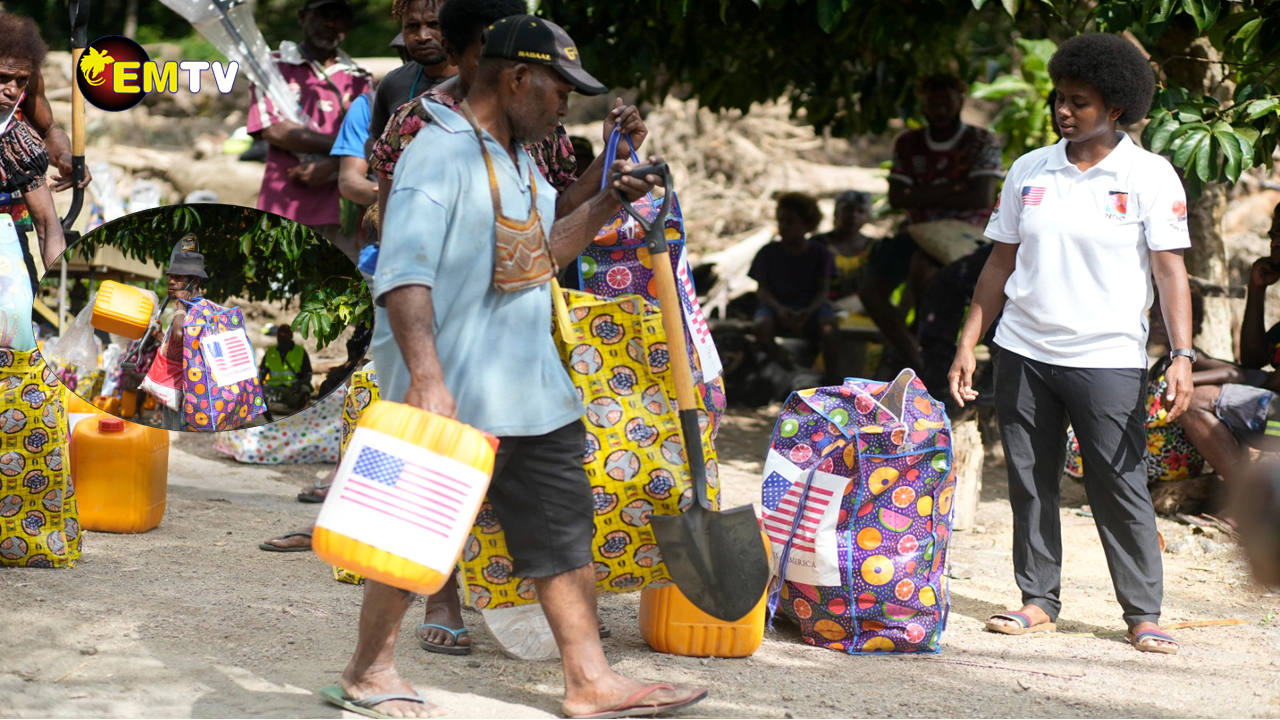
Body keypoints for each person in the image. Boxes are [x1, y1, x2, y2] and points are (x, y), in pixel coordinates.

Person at [329, 16, 705, 719]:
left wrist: (609, 200)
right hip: (455, 389)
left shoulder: (517, 156)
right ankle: (369, 671)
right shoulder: (437, 153)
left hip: (533, 388)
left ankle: (589, 681)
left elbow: (540, 255)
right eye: (561, 89)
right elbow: (404, 275)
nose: (567, 105)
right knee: (410, 536)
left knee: (563, 538)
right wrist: (428, 381)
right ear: (518, 77)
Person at [948, 33, 1192, 655]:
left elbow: (1169, 273)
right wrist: (969, 341)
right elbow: (999, 265)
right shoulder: (1030, 169)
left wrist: (1183, 356)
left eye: (1078, 102)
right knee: (1031, 479)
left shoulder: (1148, 175)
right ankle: (1037, 600)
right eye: (1060, 98)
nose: (1063, 110)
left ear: (1115, 109)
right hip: (1024, 351)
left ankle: (1143, 612)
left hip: (1108, 357)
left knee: (1119, 483)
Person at [368, 0, 646, 232]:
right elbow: (394, 233)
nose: (501, 72)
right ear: (452, 52)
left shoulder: (534, 120)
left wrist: (612, 156)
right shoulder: (418, 123)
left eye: (512, 60)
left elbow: (554, 217)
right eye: (485, 59)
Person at [862, 75, 1002, 371]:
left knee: (926, 274)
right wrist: (954, 188)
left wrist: (922, 195)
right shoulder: (909, 142)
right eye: (932, 103)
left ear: (960, 101)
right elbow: (898, 197)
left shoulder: (980, 140)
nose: (939, 110)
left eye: (946, 102)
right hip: (918, 232)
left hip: (965, 235)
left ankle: (931, 361)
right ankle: (916, 357)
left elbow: (980, 196)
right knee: (869, 287)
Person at [246, 0, 373, 264]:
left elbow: (372, 141)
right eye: (322, 14)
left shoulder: (360, 78)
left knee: (340, 292)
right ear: (303, 17)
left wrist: (330, 164)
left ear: (348, 25)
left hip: (342, 214)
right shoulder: (272, 67)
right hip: (285, 205)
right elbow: (274, 129)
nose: (330, 23)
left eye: (339, 16)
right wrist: (344, 150)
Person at [0, 13, 67, 280]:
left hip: (8, 230)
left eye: (20, 81)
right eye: (4, 78)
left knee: (20, 298)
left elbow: (48, 225)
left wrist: (65, 157)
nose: (13, 90)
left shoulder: (18, 145)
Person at [748, 192, 840, 383]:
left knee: (829, 328)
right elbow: (762, 291)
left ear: (807, 225)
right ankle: (784, 364)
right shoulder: (768, 253)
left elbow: (824, 291)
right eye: (780, 221)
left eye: (790, 222)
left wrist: (809, 311)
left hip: (811, 305)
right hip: (776, 305)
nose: (783, 227)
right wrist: (779, 310)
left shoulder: (821, 253)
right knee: (761, 326)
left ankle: (833, 378)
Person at [367, 0, 456, 148]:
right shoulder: (393, 83)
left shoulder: (480, 79)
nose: (422, 36)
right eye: (412, 26)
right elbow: (375, 141)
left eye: (434, 24)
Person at [153, 248, 207, 432]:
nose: (171, 282)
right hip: (173, 389)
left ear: (195, 281)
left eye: (178, 278)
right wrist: (161, 337)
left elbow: (181, 335)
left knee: (181, 434)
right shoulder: (183, 310)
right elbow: (182, 347)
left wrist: (181, 304)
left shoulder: (200, 310)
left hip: (190, 392)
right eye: (170, 277)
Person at [812, 190, 874, 301]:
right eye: (848, 209)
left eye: (861, 211)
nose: (853, 215)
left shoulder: (874, 247)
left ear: (867, 217)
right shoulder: (817, 243)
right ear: (836, 212)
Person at [259, 323, 313, 418]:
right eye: (279, 335)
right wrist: (259, 383)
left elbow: (308, 375)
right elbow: (263, 372)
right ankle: (270, 421)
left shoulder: (300, 351)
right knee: (259, 391)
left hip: (293, 389)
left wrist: (298, 384)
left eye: (284, 336)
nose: (281, 338)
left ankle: (300, 419)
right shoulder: (270, 352)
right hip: (274, 388)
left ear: (291, 336)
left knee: (305, 390)